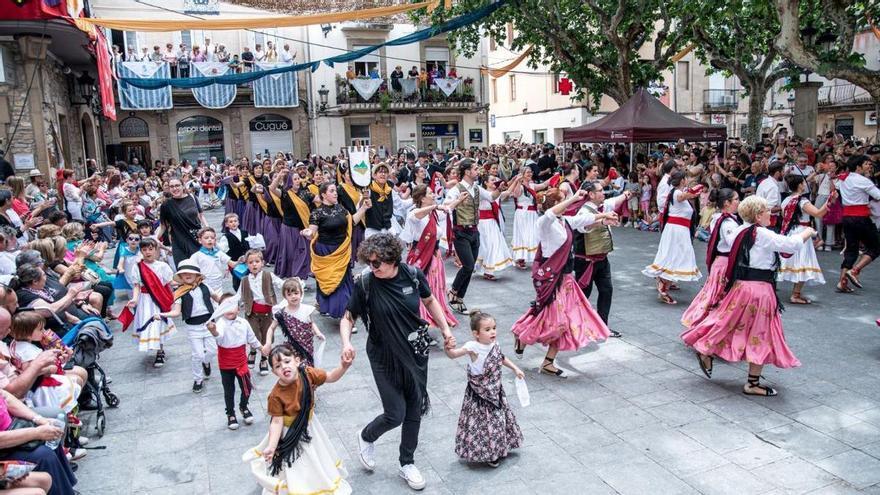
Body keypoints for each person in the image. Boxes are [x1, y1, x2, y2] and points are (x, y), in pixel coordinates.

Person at [340, 234, 455, 491]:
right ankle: (366, 436)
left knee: (414, 408)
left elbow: (429, 300)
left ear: (392, 259)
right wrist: (346, 343)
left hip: (415, 350)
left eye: (377, 262)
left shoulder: (412, 275)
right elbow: (348, 317)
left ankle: (407, 463)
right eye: (369, 262)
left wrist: (445, 329)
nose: (373, 267)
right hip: (383, 355)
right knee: (395, 413)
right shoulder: (366, 283)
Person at [682, 196, 815, 396]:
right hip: (759, 290)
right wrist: (806, 232)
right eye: (767, 211)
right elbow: (790, 245)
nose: (771, 214)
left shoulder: (740, 230)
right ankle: (752, 383)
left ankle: (705, 349)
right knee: (761, 333)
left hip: (742, 286)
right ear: (758, 214)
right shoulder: (760, 233)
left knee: (728, 322)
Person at [511, 188, 611, 376]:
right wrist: (574, 197)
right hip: (552, 277)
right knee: (553, 319)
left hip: (566, 278)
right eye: (563, 200)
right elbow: (550, 213)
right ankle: (522, 336)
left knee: (565, 320)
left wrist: (604, 215)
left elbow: (584, 220)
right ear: (554, 203)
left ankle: (547, 361)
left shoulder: (564, 221)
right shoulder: (544, 222)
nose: (569, 204)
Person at [241, 344, 353, 495]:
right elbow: (276, 422)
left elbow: (330, 376)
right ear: (274, 372)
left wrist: (343, 367)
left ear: (297, 361)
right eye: (278, 366)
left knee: (315, 458)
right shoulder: (275, 395)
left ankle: (317, 484)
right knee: (297, 463)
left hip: (310, 426)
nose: (284, 367)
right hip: (290, 434)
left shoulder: (308, 374)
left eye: (287, 361)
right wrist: (272, 446)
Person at [445, 310, 523, 468]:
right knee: (482, 425)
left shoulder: (495, 344)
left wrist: (515, 368)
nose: (492, 332)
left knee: (498, 420)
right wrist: (448, 346)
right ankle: (488, 454)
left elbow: (501, 358)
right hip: (479, 395)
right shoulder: (472, 347)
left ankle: (499, 447)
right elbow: (453, 355)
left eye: (494, 328)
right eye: (487, 330)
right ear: (476, 334)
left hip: (495, 391)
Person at [302, 183, 370, 319]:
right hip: (326, 251)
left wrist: (363, 208)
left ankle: (344, 313)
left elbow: (352, 222)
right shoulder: (317, 213)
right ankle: (333, 309)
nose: (335, 193)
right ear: (323, 195)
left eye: (335, 191)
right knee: (328, 280)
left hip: (342, 250)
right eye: (332, 191)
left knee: (343, 281)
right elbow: (312, 232)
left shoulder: (340, 208)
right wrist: (307, 232)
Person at [572, 181, 629, 337]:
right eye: (601, 190)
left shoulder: (601, 207)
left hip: (602, 259)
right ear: (591, 194)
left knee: (606, 290)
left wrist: (625, 195)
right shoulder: (584, 211)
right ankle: (574, 326)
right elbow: (582, 226)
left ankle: (602, 326)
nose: (604, 193)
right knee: (583, 294)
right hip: (586, 261)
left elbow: (614, 201)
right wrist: (602, 222)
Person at [444, 159, 501, 314]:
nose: (478, 171)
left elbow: (491, 197)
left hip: (474, 231)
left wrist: (500, 189)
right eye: (475, 169)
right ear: (468, 172)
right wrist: (458, 200)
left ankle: (459, 298)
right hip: (460, 231)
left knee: (471, 268)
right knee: (468, 265)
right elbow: (446, 207)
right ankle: (453, 291)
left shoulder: (476, 188)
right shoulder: (455, 189)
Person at [681, 188, 741, 328]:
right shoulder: (728, 223)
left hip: (719, 261)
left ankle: (706, 322)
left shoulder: (720, 218)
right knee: (719, 296)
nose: (739, 202)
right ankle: (709, 325)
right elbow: (734, 242)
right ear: (727, 203)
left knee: (713, 294)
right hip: (725, 263)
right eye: (736, 199)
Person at [161, 261, 223, 393]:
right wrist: (162, 314)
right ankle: (198, 379)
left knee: (212, 351)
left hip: (209, 324)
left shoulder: (205, 286)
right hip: (193, 327)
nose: (187, 275)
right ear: (181, 277)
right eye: (184, 273)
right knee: (197, 354)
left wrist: (229, 303)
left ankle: (206, 362)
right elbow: (176, 312)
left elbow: (217, 298)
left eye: (190, 272)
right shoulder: (180, 293)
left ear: (197, 275)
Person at [402, 185, 457, 328]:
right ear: (422, 198)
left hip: (434, 255)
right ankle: (422, 318)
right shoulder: (414, 213)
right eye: (430, 193)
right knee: (423, 286)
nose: (433, 195)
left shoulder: (434, 213)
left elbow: (447, 209)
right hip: (422, 255)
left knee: (435, 285)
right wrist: (435, 207)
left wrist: (458, 201)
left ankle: (436, 314)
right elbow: (417, 215)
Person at [0, 389, 75, 495]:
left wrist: (39, 419)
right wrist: (35, 433)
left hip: (12, 428)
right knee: (44, 455)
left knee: (51, 438)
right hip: (3, 447)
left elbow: (5, 397)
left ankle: (66, 489)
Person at [643, 172, 702, 304]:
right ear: (682, 180)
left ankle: (664, 282)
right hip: (677, 230)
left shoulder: (676, 192)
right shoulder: (676, 193)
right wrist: (695, 189)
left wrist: (692, 191)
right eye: (686, 178)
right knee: (674, 256)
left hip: (679, 230)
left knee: (676, 256)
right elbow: (683, 196)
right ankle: (663, 287)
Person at [206, 295, 262, 430]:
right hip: (226, 363)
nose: (229, 309)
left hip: (241, 361)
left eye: (232, 305)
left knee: (247, 388)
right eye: (225, 306)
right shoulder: (220, 323)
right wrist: (213, 331)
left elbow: (252, 338)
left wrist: (261, 348)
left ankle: (243, 406)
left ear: (238, 307)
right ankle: (230, 413)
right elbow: (219, 338)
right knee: (229, 390)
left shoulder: (244, 322)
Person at [778, 174, 833, 303]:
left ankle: (776, 290)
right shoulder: (803, 201)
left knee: (786, 261)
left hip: (788, 231)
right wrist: (829, 201)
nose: (804, 184)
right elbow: (818, 213)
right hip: (802, 232)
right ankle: (795, 295)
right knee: (803, 261)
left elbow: (784, 216)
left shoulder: (786, 200)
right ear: (799, 185)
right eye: (803, 182)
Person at [123, 237, 175, 367]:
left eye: (150, 249)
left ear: (156, 250)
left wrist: (186, 283)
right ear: (141, 251)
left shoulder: (162, 266)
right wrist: (134, 299)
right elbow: (136, 286)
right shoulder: (138, 267)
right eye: (144, 249)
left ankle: (160, 351)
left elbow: (170, 283)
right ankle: (157, 349)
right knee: (149, 324)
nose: (148, 252)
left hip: (159, 299)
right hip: (145, 300)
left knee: (159, 323)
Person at [836, 155, 880, 292]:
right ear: (858, 166)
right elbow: (878, 195)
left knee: (851, 250)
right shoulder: (863, 181)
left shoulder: (843, 178)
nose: (869, 166)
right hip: (860, 218)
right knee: (876, 247)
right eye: (867, 164)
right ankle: (854, 271)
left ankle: (842, 282)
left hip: (847, 217)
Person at [237, 249, 284, 375]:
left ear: (262, 263)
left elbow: (281, 284)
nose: (254, 264)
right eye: (250, 262)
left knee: (267, 336)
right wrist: (229, 303)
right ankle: (252, 351)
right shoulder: (245, 280)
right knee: (254, 335)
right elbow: (239, 296)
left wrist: (292, 285)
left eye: (257, 261)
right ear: (247, 264)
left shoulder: (268, 276)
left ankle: (263, 359)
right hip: (251, 313)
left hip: (268, 314)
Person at [261, 278, 325, 367]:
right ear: (285, 296)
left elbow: (312, 323)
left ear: (301, 293)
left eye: (296, 293)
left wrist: (318, 332)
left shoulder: (307, 309)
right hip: (292, 348)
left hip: (307, 346)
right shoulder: (281, 313)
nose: (293, 296)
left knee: (307, 370)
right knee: (295, 369)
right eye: (289, 294)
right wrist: (268, 343)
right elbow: (271, 328)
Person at [269, 170, 312, 280]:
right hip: (289, 229)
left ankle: (300, 275)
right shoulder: (285, 193)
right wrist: (279, 175)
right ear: (289, 181)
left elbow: (317, 199)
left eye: (298, 179)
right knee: (292, 254)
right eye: (295, 179)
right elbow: (272, 189)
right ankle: (293, 274)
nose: (298, 181)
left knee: (303, 252)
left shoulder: (305, 192)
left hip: (302, 228)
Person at [156, 177, 207, 265]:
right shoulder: (166, 205)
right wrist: (155, 238)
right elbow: (163, 226)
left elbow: (200, 216)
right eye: (172, 186)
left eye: (177, 185)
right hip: (179, 242)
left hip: (196, 239)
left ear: (183, 186)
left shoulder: (192, 198)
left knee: (200, 269)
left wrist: (208, 230)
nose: (175, 188)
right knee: (184, 270)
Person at [189, 227, 235, 293]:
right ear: (200, 240)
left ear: (215, 240)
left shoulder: (219, 253)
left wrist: (241, 260)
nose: (210, 240)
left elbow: (232, 264)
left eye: (212, 238)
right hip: (204, 285)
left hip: (218, 285)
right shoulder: (196, 256)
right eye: (206, 238)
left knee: (219, 301)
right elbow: (191, 271)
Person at [217, 213, 249, 292]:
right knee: (237, 280)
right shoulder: (226, 237)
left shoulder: (245, 233)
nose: (233, 223)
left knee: (248, 278)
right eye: (231, 222)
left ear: (238, 222)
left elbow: (250, 244)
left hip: (247, 261)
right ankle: (239, 295)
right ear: (227, 224)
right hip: (235, 263)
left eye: (235, 221)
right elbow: (222, 249)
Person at [364, 163, 395, 238]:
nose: (383, 174)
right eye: (380, 172)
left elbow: (400, 204)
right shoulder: (368, 189)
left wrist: (415, 200)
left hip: (387, 229)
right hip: (372, 231)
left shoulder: (389, 189)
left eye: (385, 172)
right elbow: (359, 206)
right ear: (374, 175)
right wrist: (363, 198)